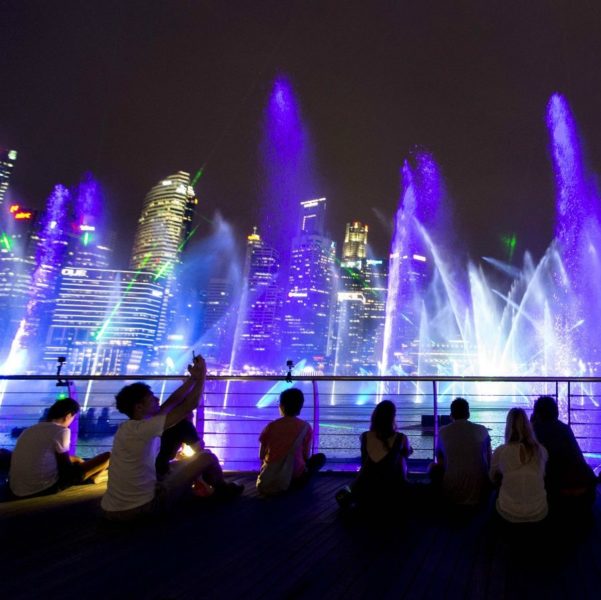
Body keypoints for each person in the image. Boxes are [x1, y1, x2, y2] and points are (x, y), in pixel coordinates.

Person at [101, 355, 242, 521]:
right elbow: (189, 405)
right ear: (139, 407)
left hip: (109, 511)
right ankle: (222, 491)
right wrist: (203, 375)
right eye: (151, 398)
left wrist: (193, 379)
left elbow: (171, 402)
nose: (157, 399)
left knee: (173, 469)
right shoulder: (145, 428)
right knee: (206, 457)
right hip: (143, 510)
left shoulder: (130, 427)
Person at [8, 398, 110, 498]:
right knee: (108, 456)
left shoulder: (29, 430)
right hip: (42, 487)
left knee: (76, 459)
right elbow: (66, 469)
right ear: (68, 416)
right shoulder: (61, 431)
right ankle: (92, 479)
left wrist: (76, 459)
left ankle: (90, 477)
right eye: (73, 418)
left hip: (15, 488)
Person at [336, 400, 413, 510]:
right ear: (392, 418)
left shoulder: (365, 437)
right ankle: (403, 483)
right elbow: (407, 453)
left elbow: (364, 460)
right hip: (393, 489)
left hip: (366, 488)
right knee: (401, 456)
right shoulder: (401, 437)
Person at [531, 395, 597, 509]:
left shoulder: (535, 431)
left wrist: (531, 425)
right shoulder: (565, 429)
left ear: (537, 413)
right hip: (584, 491)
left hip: (555, 491)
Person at [257, 388, 326, 495]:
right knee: (320, 458)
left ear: (281, 406)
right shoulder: (305, 427)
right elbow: (306, 456)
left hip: (270, 476)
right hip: (295, 477)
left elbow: (261, 455)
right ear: (300, 407)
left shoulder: (271, 426)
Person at [490, 407, 548, 523]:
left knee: (493, 497)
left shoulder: (501, 452)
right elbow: (543, 475)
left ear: (508, 426)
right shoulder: (541, 451)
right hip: (538, 511)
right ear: (528, 425)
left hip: (508, 512)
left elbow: (492, 478)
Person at [432, 397, 491, 507]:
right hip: (479, 492)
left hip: (451, 492)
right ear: (468, 414)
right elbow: (489, 458)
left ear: (451, 415)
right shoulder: (482, 430)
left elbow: (439, 460)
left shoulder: (442, 432)